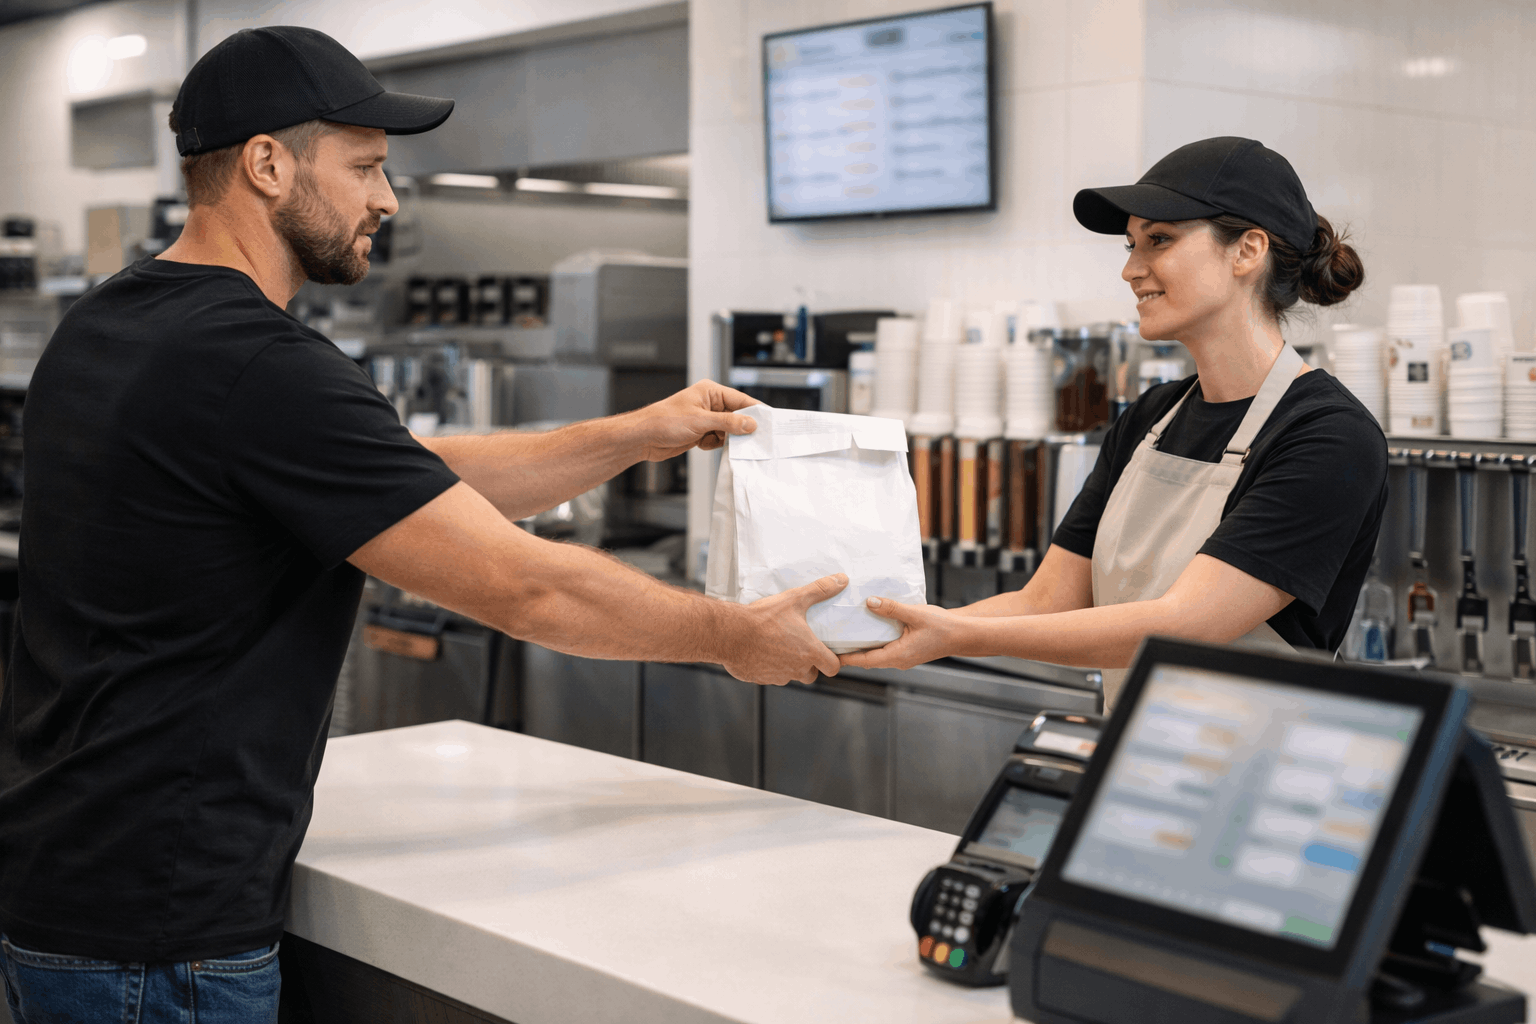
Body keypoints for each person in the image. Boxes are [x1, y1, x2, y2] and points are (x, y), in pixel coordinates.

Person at [0, 26, 846, 1024]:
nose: (388, 199)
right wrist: (729, 634)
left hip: (68, 875)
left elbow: (400, 479)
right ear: (268, 165)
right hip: (162, 932)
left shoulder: (110, 325)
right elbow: (525, 586)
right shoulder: (258, 362)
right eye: (364, 167)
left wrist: (631, 435)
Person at [844, 136, 1382, 706]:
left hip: (1260, 755)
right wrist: (888, 629)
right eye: (1130, 244)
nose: (1130, 269)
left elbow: (1183, 625)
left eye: (1159, 240)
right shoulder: (1150, 419)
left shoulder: (1328, 437)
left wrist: (957, 635)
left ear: (1247, 251)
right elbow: (1045, 602)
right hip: (1133, 749)